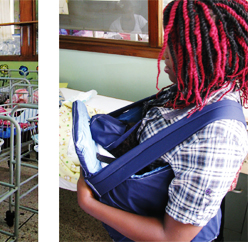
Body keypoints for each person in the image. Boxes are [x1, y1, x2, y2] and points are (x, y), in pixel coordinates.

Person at [77, 0, 248, 241]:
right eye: (169, 41)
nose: (164, 54)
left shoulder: (219, 136)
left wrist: (88, 203)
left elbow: (172, 237)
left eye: (178, 46)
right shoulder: (191, 90)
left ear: (207, 52)